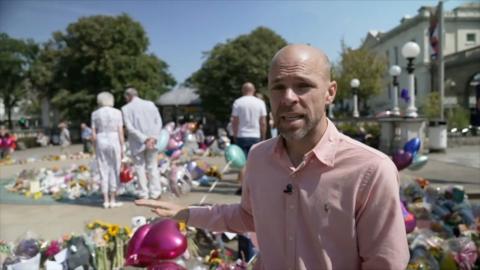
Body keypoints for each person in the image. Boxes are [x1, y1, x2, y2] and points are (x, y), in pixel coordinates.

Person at [135, 44, 409, 269]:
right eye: (278, 87)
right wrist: (187, 214)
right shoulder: (259, 156)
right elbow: (248, 217)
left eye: (302, 85)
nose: (288, 97)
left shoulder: (371, 170)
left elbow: (385, 263)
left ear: (330, 92)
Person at [122, 87, 163, 199]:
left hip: (137, 142)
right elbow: (158, 122)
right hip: (152, 141)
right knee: (152, 166)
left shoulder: (125, 108)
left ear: (128, 96)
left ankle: (143, 193)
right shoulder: (150, 104)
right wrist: (153, 137)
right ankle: (155, 193)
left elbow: (129, 128)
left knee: (139, 167)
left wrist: (144, 139)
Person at [91, 92, 125, 209]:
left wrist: (95, 148)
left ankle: (105, 200)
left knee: (103, 169)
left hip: (101, 140)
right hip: (114, 138)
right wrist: (123, 147)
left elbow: (93, 134)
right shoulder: (117, 112)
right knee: (115, 169)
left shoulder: (95, 114)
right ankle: (113, 199)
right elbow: (120, 131)